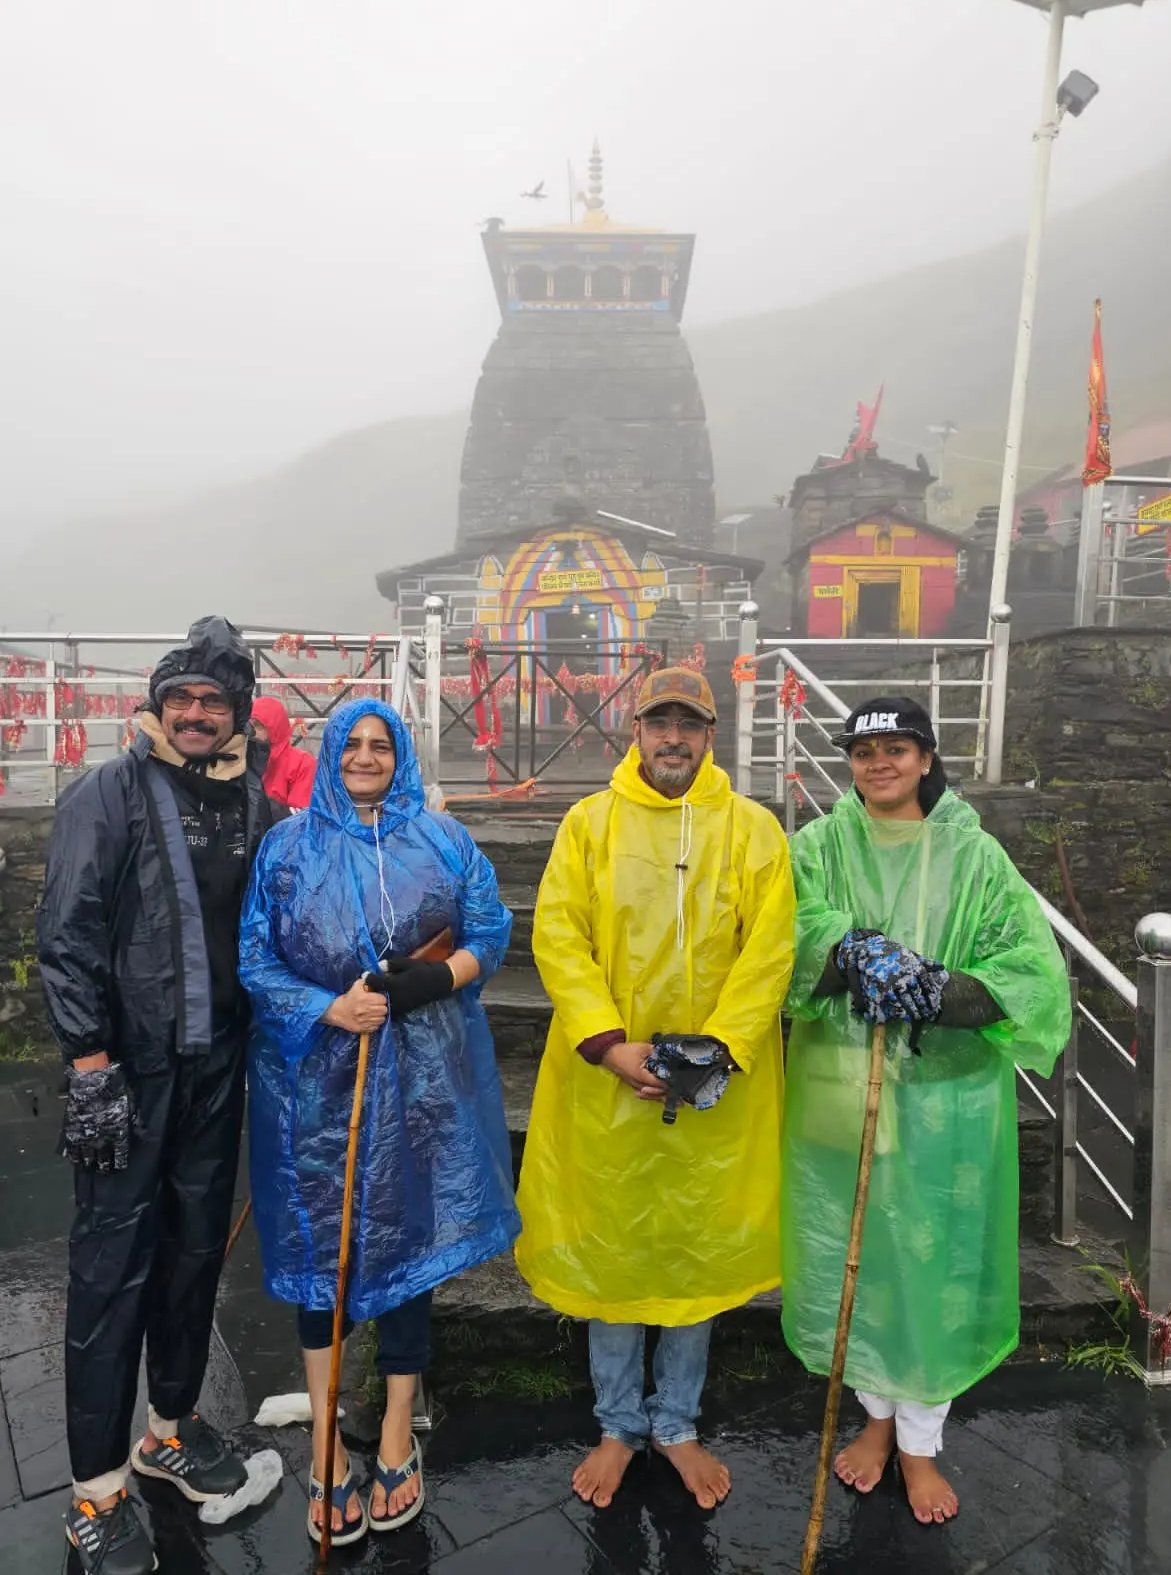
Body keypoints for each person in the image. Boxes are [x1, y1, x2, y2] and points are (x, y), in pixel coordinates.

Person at [781, 696, 1072, 1525]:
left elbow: (1029, 969)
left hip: (947, 1094)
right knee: (859, 1247)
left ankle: (921, 1442)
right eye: (864, 749)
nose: (879, 763)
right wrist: (847, 945)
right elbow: (785, 924)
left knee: (934, 1259)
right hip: (844, 1075)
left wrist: (942, 989)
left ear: (926, 756)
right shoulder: (818, 847)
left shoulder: (975, 856)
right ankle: (875, 1421)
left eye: (896, 748)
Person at [239, 698, 519, 1547]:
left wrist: (435, 982)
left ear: (399, 757)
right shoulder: (284, 847)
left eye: (380, 746)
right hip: (313, 1089)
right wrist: (328, 1008)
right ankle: (327, 1435)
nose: (365, 757)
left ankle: (397, 1423)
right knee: (318, 1255)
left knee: (408, 1244)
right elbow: (255, 956)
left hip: (425, 1083)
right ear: (330, 754)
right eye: (352, 745)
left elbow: (492, 929)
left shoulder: (444, 840)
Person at [515, 667, 795, 1510]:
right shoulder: (588, 825)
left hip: (716, 1087)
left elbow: (770, 949)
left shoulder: (753, 831)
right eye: (658, 722)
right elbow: (559, 935)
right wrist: (607, 1044)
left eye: (690, 723)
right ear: (634, 731)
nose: (673, 737)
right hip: (607, 1081)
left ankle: (675, 1422)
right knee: (613, 1249)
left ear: (711, 735)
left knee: (692, 1249)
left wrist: (720, 1050)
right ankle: (616, 1422)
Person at [37, 616, 275, 1575]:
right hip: (128, 1072)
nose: (194, 714)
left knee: (190, 1255)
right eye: (180, 698)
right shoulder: (108, 793)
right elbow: (68, 928)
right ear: (157, 706)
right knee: (109, 1272)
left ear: (238, 716)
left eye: (213, 701)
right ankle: (95, 1487)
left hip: (217, 1069)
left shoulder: (254, 808)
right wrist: (87, 1062)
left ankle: (167, 1432)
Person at [250, 695, 317, 808]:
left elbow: (300, 817)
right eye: (248, 725)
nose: (251, 731)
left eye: (258, 725)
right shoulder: (240, 760)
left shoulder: (302, 764)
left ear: (275, 729)